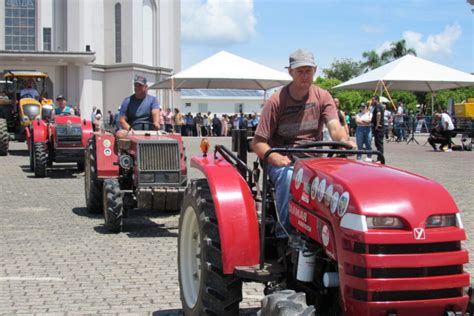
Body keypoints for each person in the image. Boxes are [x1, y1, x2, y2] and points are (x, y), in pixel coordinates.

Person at [251, 48, 355, 239]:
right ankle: (286, 234)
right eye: (300, 71)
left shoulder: (323, 96)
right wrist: (275, 157)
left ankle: (335, 233)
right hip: (284, 161)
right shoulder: (276, 101)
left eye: (308, 71)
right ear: (290, 72)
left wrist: (344, 140)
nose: (305, 75)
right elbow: (258, 143)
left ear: (315, 71)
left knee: (342, 181)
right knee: (289, 177)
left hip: (313, 160)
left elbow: (335, 127)